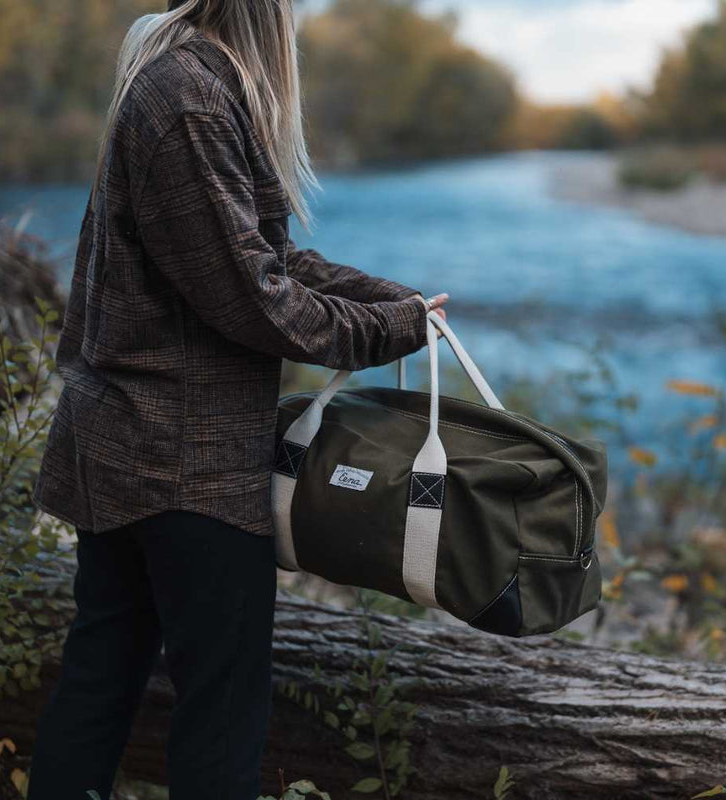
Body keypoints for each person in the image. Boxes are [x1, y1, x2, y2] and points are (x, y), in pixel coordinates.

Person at [26, 1, 448, 798]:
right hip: (181, 462)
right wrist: (382, 331)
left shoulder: (192, 81)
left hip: (133, 447)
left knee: (101, 680)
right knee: (216, 721)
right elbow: (255, 300)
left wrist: (400, 304)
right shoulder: (188, 96)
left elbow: (272, 253)